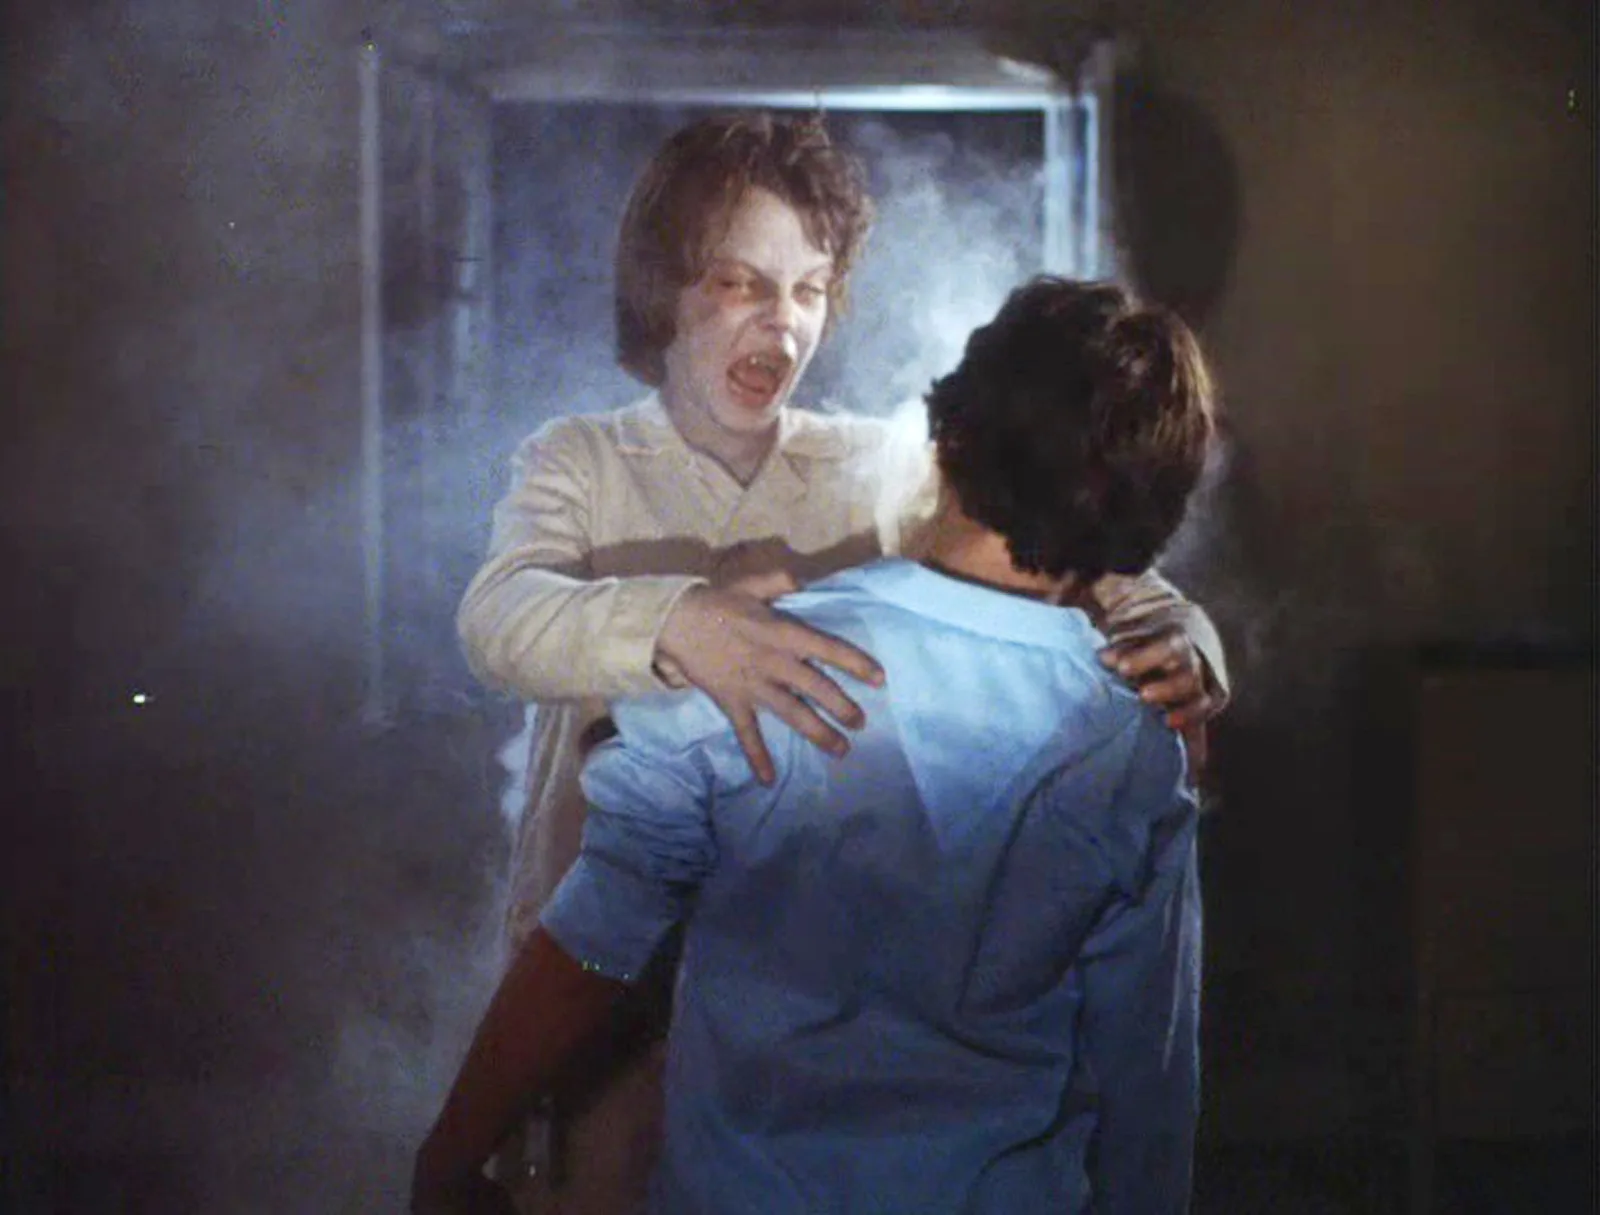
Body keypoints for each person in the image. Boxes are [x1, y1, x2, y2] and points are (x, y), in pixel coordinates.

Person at [454, 112, 1228, 1212]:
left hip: (789, 994)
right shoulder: (579, 459)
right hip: (600, 974)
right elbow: (498, 619)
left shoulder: (871, 464)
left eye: (809, 290)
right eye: (738, 282)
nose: (780, 322)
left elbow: (1061, 532)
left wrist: (1189, 640)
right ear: (663, 287)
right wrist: (682, 623)